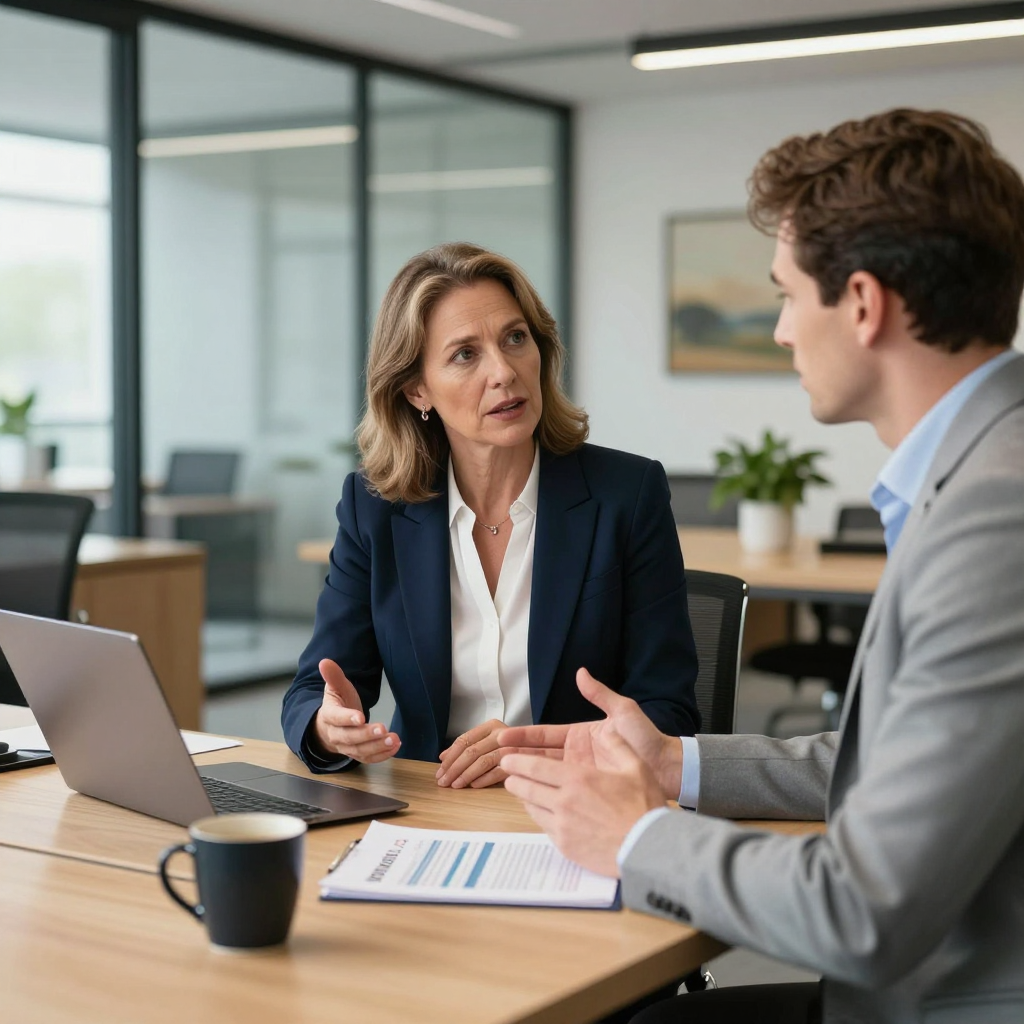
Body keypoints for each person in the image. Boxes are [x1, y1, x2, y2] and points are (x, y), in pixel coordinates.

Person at [500, 108, 1024, 1023]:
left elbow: (863, 911)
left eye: (786, 295)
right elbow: (892, 766)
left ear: (863, 305)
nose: (781, 330)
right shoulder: (978, 471)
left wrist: (638, 836)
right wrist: (674, 766)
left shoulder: (996, 517)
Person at [282, 242, 700, 788]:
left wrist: (541, 756)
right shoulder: (375, 508)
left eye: (515, 339)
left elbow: (670, 714)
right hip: (432, 807)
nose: (504, 371)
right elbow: (312, 692)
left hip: (578, 803)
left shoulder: (628, 494)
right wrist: (328, 727)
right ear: (416, 389)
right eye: (465, 354)